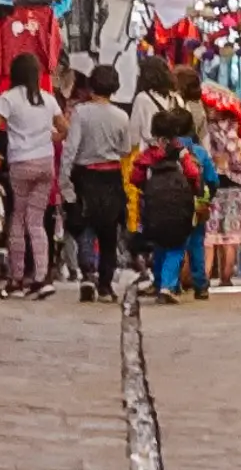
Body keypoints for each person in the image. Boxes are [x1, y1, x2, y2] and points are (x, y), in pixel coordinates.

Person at [61, 69, 135, 296]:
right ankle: (105, 284)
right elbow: (125, 149)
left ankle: (87, 274)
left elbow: (71, 148)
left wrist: (64, 180)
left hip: (85, 175)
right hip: (112, 177)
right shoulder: (122, 116)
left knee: (85, 226)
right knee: (109, 231)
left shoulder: (81, 113)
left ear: (91, 88)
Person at [0, 67, 59, 293]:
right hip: (45, 163)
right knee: (37, 221)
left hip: (20, 163)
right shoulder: (48, 99)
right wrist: (48, 139)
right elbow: (65, 129)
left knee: (19, 217)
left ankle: (17, 277)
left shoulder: (7, 99)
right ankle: (41, 276)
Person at [135, 119, 204, 300]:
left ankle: (159, 283)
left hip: (153, 202)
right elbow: (193, 173)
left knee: (159, 243)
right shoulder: (180, 151)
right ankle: (167, 284)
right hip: (179, 201)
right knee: (177, 244)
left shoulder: (149, 152)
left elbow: (135, 176)